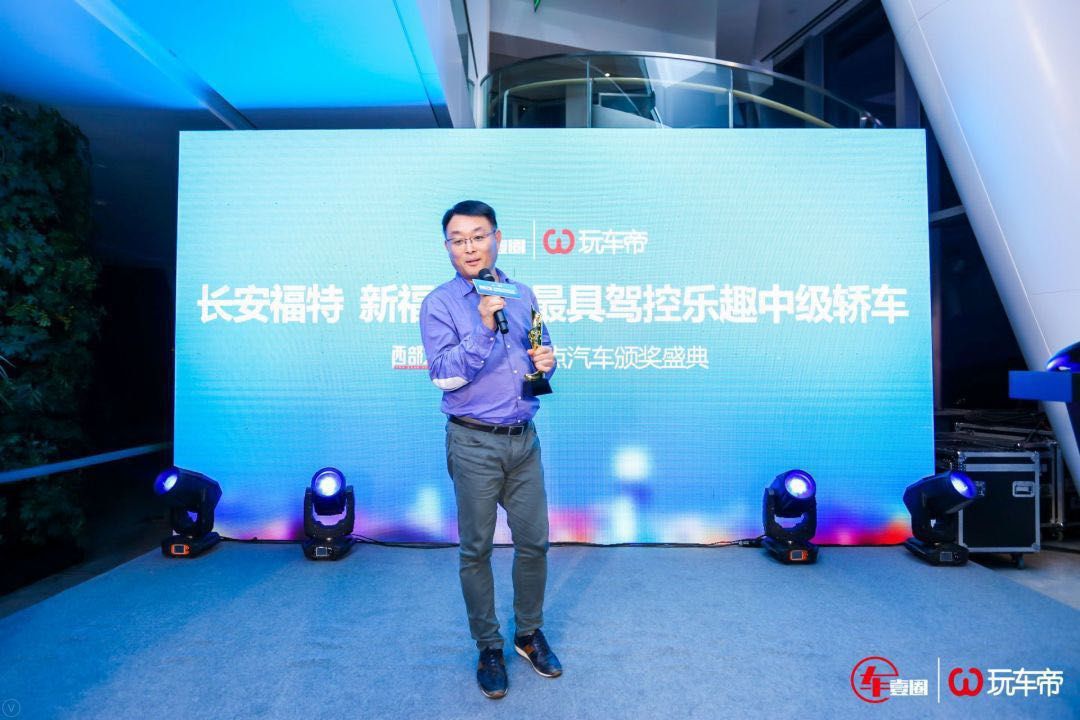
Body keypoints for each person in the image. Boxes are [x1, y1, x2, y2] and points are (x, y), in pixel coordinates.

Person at [419, 200, 561, 699]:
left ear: (496, 238)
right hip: (474, 442)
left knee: (535, 543)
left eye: (478, 236)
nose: (469, 247)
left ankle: (528, 634)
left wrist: (546, 362)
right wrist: (482, 327)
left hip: (524, 441)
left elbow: (539, 349)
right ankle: (489, 646)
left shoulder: (521, 294)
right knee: (476, 549)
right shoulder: (440, 303)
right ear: (447, 247)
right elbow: (444, 375)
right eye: (458, 240)